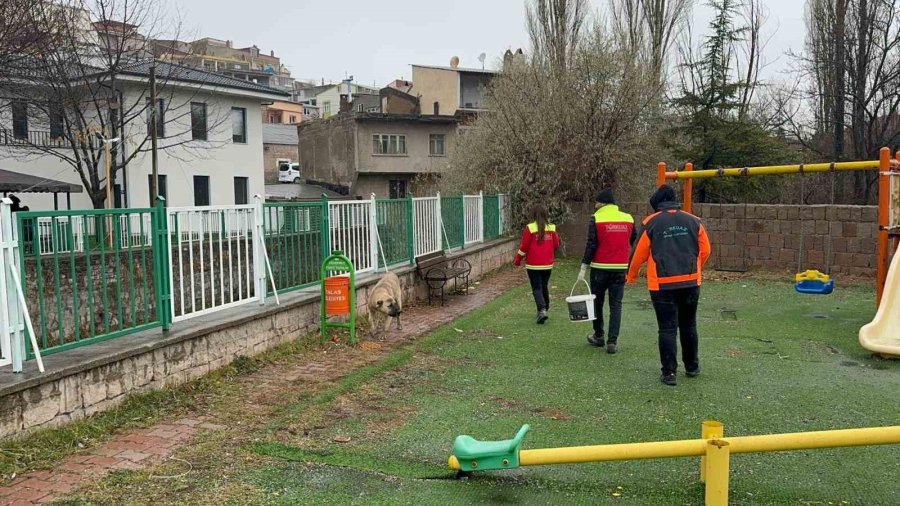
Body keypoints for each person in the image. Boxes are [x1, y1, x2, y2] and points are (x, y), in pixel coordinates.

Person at [626, 185, 711, 386]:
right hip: (690, 282)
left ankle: (669, 373)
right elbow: (706, 249)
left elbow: (638, 254)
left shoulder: (651, 223)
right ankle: (692, 366)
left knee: (667, 328)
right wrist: (695, 267)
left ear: (656, 204)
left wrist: (631, 276)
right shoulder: (694, 221)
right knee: (689, 324)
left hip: (661, 285)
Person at [578, 189, 636, 354]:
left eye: (596, 203)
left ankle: (599, 335)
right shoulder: (628, 218)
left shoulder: (596, 218)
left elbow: (592, 244)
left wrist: (584, 265)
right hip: (620, 268)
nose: (595, 206)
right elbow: (633, 239)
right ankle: (612, 342)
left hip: (599, 268)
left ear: (601, 203)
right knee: (616, 305)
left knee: (597, 302)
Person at [514, 205, 561, 324]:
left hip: (533, 264)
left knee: (536, 288)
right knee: (544, 286)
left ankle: (542, 310)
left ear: (533, 215)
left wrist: (518, 259)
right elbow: (556, 244)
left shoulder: (530, 228)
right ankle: (545, 308)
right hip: (547, 264)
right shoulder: (551, 228)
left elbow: (524, 246)